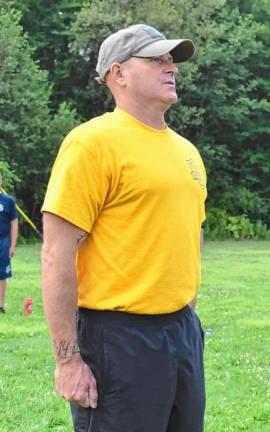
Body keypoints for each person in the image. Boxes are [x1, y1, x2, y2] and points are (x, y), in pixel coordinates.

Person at [41, 24, 207, 431]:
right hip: (118, 338)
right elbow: (55, 254)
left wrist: (186, 311)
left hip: (181, 332)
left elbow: (190, 232)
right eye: (157, 59)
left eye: (172, 59)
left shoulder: (187, 151)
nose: (172, 67)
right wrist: (67, 360)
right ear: (118, 74)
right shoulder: (92, 144)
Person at [0, 173, 19, 314]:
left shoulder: (8, 201)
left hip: (3, 242)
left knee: (2, 274)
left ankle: (0, 306)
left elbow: (14, 223)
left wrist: (12, 245)